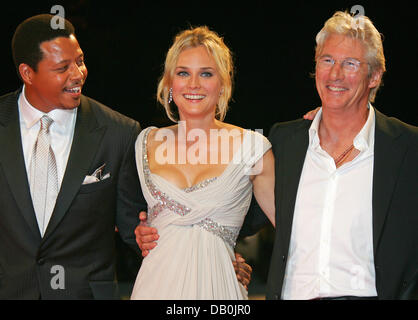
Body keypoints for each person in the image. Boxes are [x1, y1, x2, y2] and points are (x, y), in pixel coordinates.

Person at [138, 11, 418, 300]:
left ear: (374, 75)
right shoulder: (287, 141)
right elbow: (236, 213)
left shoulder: (407, 149)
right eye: (327, 61)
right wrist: (211, 251)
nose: (335, 74)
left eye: (350, 64)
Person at [0, 14, 147, 299]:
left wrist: (210, 255)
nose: (78, 74)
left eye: (79, 61)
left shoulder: (119, 133)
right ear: (28, 74)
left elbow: (137, 230)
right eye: (62, 67)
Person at [130, 26, 275, 300]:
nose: (193, 84)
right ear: (169, 82)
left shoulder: (253, 148)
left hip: (221, 289)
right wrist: (136, 229)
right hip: (153, 288)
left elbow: (293, 226)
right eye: (183, 73)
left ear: (223, 83)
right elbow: (121, 212)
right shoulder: (144, 143)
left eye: (206, 74)